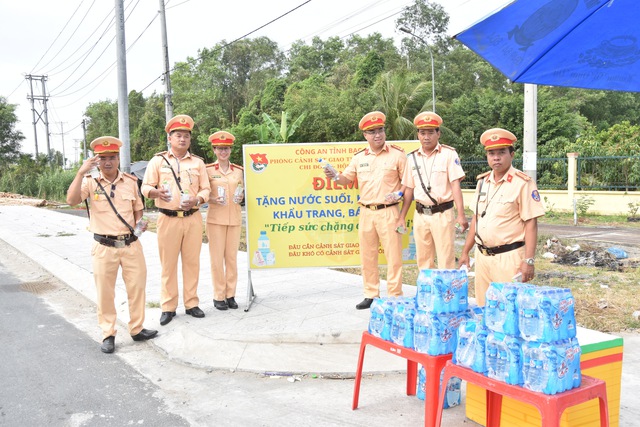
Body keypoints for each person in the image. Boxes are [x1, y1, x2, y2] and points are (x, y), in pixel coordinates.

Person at [66, 136, 157, 353]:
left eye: (112, 158)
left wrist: (139, 224)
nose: (108, 162)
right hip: (104, 247)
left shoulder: (131, 181)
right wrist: (80, 172)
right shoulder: (90, 182)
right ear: (97, 161)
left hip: (131, 245)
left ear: (118, 158)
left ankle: (137, 328)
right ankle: (108, 333)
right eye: (103, 158)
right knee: (105, 293)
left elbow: (138, 208)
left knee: (137, 288)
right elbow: (71, 200)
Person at [324, 111, 407, 310]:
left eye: (380, 130)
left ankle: (395, 295)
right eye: (372, 132)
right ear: (365, 136)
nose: (377, 135)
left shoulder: (397, 154)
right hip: (367, 212)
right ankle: (371, 294)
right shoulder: (359, 158)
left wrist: (400, 194)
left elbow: (408, 183)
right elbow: (346, 179)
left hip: (389, 211)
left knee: (394, 256)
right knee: (368, 256)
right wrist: (333, 175)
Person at [458, 128, 546, 306]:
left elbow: (531, 224)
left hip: (509, 258)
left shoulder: (523, 183)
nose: (496, 157)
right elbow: (476, 219)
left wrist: (528, 261)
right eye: (491, 153)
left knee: (508, 309)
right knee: (484, 308)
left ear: (512, 154)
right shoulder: (482, 182)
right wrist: (465, 252)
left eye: (501, 152)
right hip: (482, 257)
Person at [141, 114, 211, 326]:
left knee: (192, 263)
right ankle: (168, 307)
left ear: (190, 140)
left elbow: (206, 188)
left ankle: (191, 303)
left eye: (186, 136)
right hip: (167, 219)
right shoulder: (157, 161)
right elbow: (144, 187)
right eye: (178, 135)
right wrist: (156, 193)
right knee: (168, 265)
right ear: (169, 139)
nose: (182, 139)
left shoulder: (198, 163)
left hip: (192, 218)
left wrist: (198, 199)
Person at [398, 111, 469, 270]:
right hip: (421, 215)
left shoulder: (449, 154)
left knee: (446, 258)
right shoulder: (412, 158)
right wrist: (402, 216)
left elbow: (455, 184)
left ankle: (445, 294)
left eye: (431, 132)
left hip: (442, 214)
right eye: (422, 133)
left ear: (438, 133)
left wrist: (461, 215)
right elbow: (409, 189)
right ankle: (427, 293)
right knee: (423, 259)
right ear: (418, 135)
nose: (426, 137)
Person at [205, 131, 244, 311]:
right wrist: (211, 200)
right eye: (220, 148)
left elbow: (243, 192)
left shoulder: (239, 171)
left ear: (230, 150)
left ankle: (231, 295)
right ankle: (219, 295)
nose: (223, 152)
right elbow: (202, 193)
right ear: (214, 150)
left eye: (226, 148)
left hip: (234, 219)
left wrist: (241, 196)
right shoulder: (207, 170)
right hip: (215, 220)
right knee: (216, 259)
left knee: (232, 259)